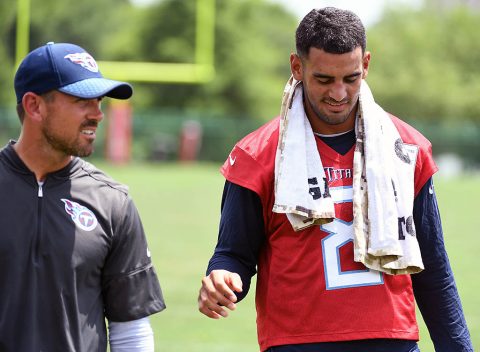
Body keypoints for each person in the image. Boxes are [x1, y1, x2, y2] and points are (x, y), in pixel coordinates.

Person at [198, 7, 473, 352]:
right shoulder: (257, 155)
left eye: (351, 78)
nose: (339, 94)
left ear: (367, 64)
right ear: (297, 67)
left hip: (391, 341)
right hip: (297, 344)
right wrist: (223, 280)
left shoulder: (406, 149)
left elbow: (433, 267)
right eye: (324, 79)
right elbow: (233, 255)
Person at [0, 42, 166, 351]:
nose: (98, 115)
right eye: (82, 101)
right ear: (35, 106)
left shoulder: (112, 201)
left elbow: (130, 327)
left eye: (99, 101)